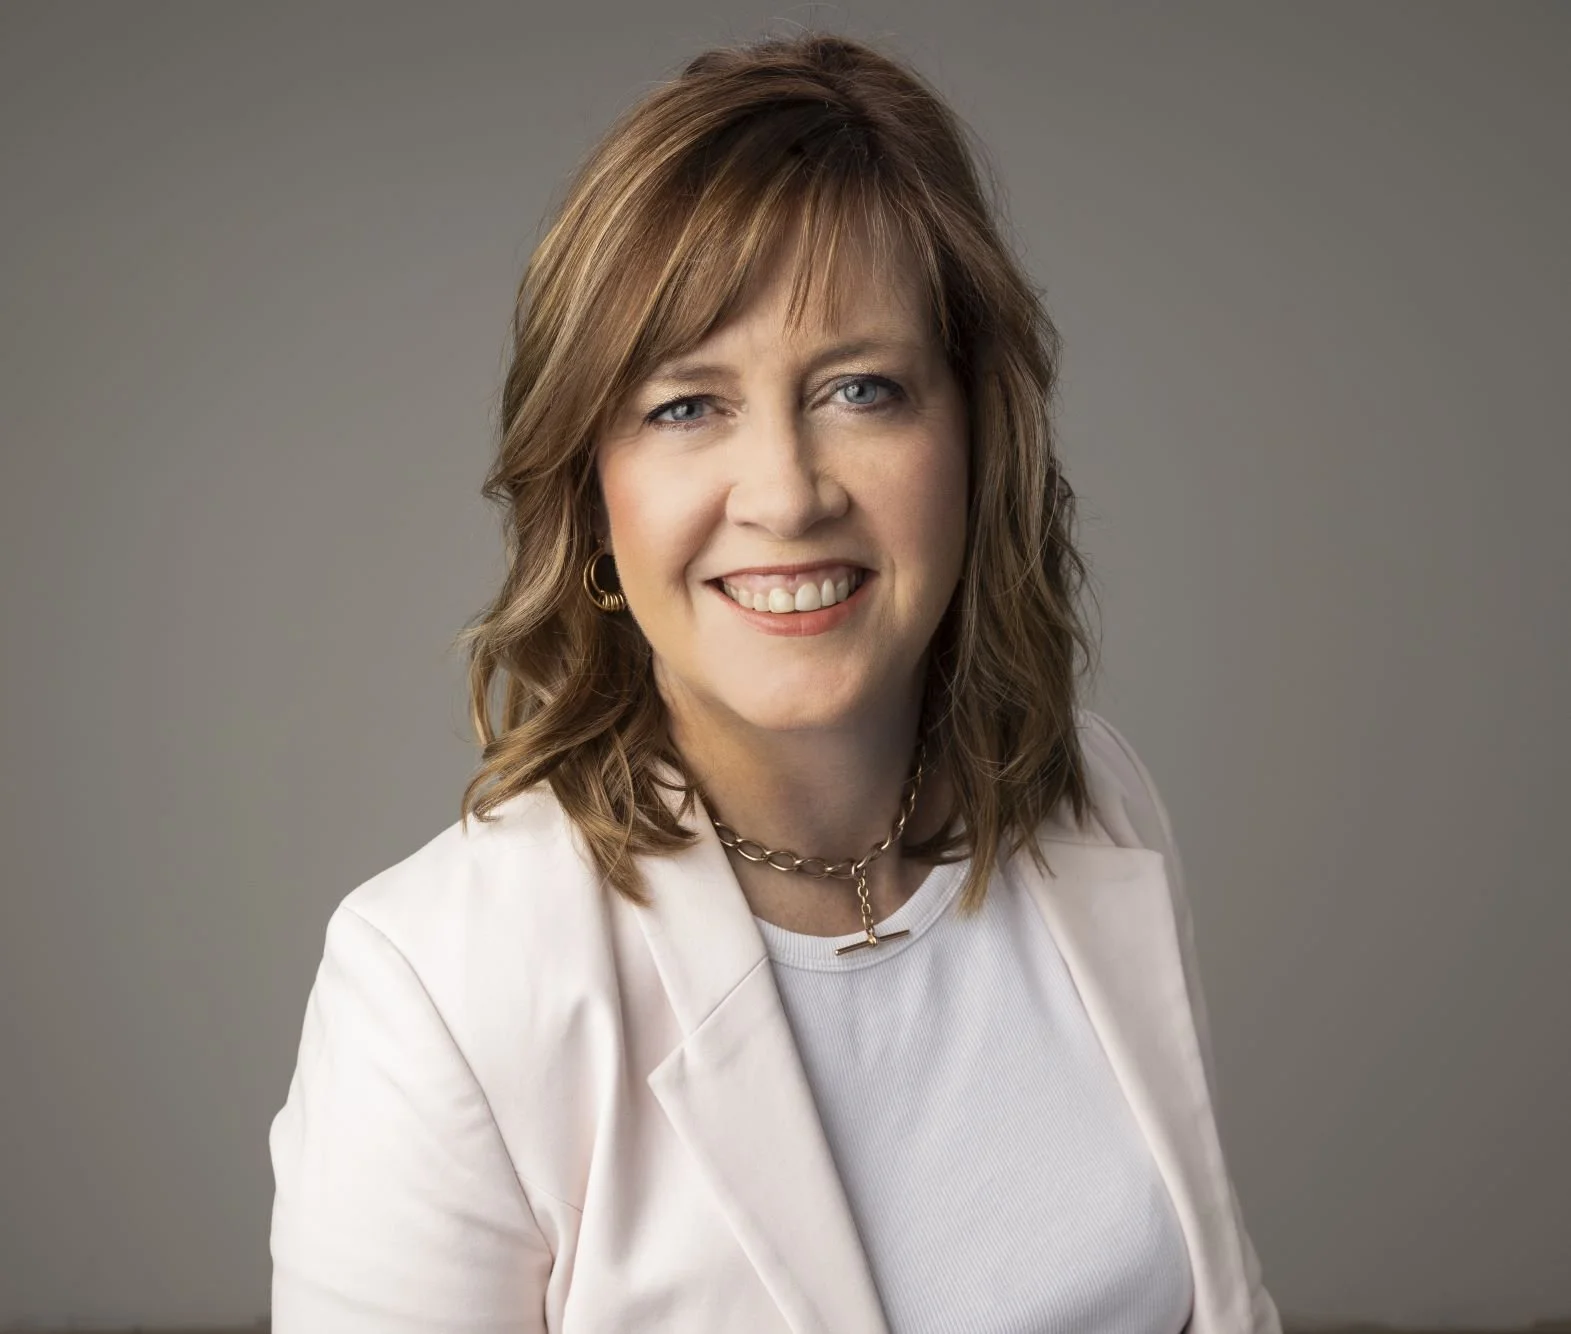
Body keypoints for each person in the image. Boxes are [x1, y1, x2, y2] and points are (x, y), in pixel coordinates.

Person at [268, 30, 1283, 1334]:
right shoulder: (436, 984)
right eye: (686, 405)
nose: (789, 492)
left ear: (976, 434)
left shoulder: (1094, 799)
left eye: (861, 389)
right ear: (589, 493)